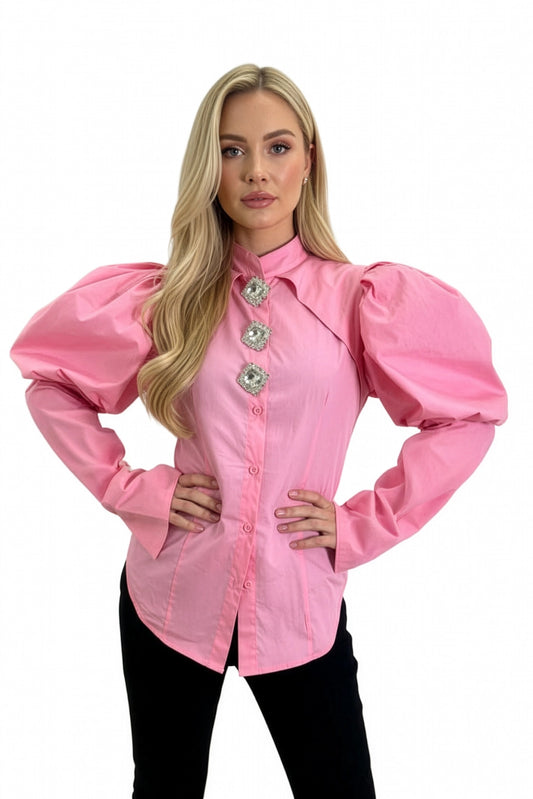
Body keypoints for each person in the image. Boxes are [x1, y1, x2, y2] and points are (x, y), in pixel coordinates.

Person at [10, 64, 507, 798]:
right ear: (209, 167)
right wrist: (129, 488)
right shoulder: (168, 298)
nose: (255, 172)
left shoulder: (358, 300)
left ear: (308, 159)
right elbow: (49, 379)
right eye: (232, 149)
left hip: (299, 600)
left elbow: (467, 414)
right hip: (171, 597)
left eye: (277, 147)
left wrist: (358, 524)